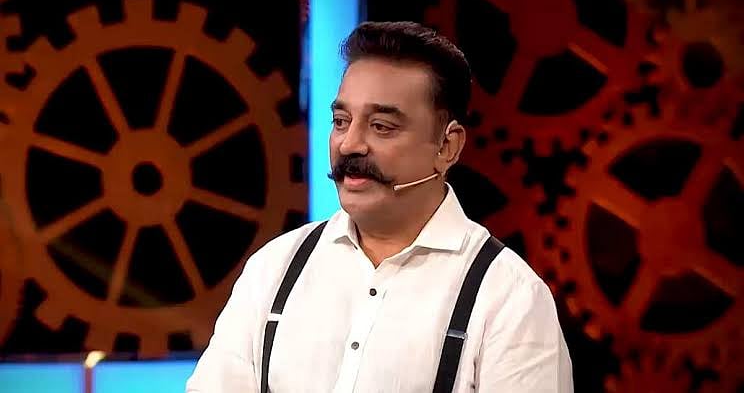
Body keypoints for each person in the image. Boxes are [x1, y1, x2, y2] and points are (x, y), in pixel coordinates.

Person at [186, 21, 573, 392]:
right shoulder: (274, 268)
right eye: (341, 121)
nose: (350, 144)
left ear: (447, 146)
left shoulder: (509, 297)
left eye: (381, 126)